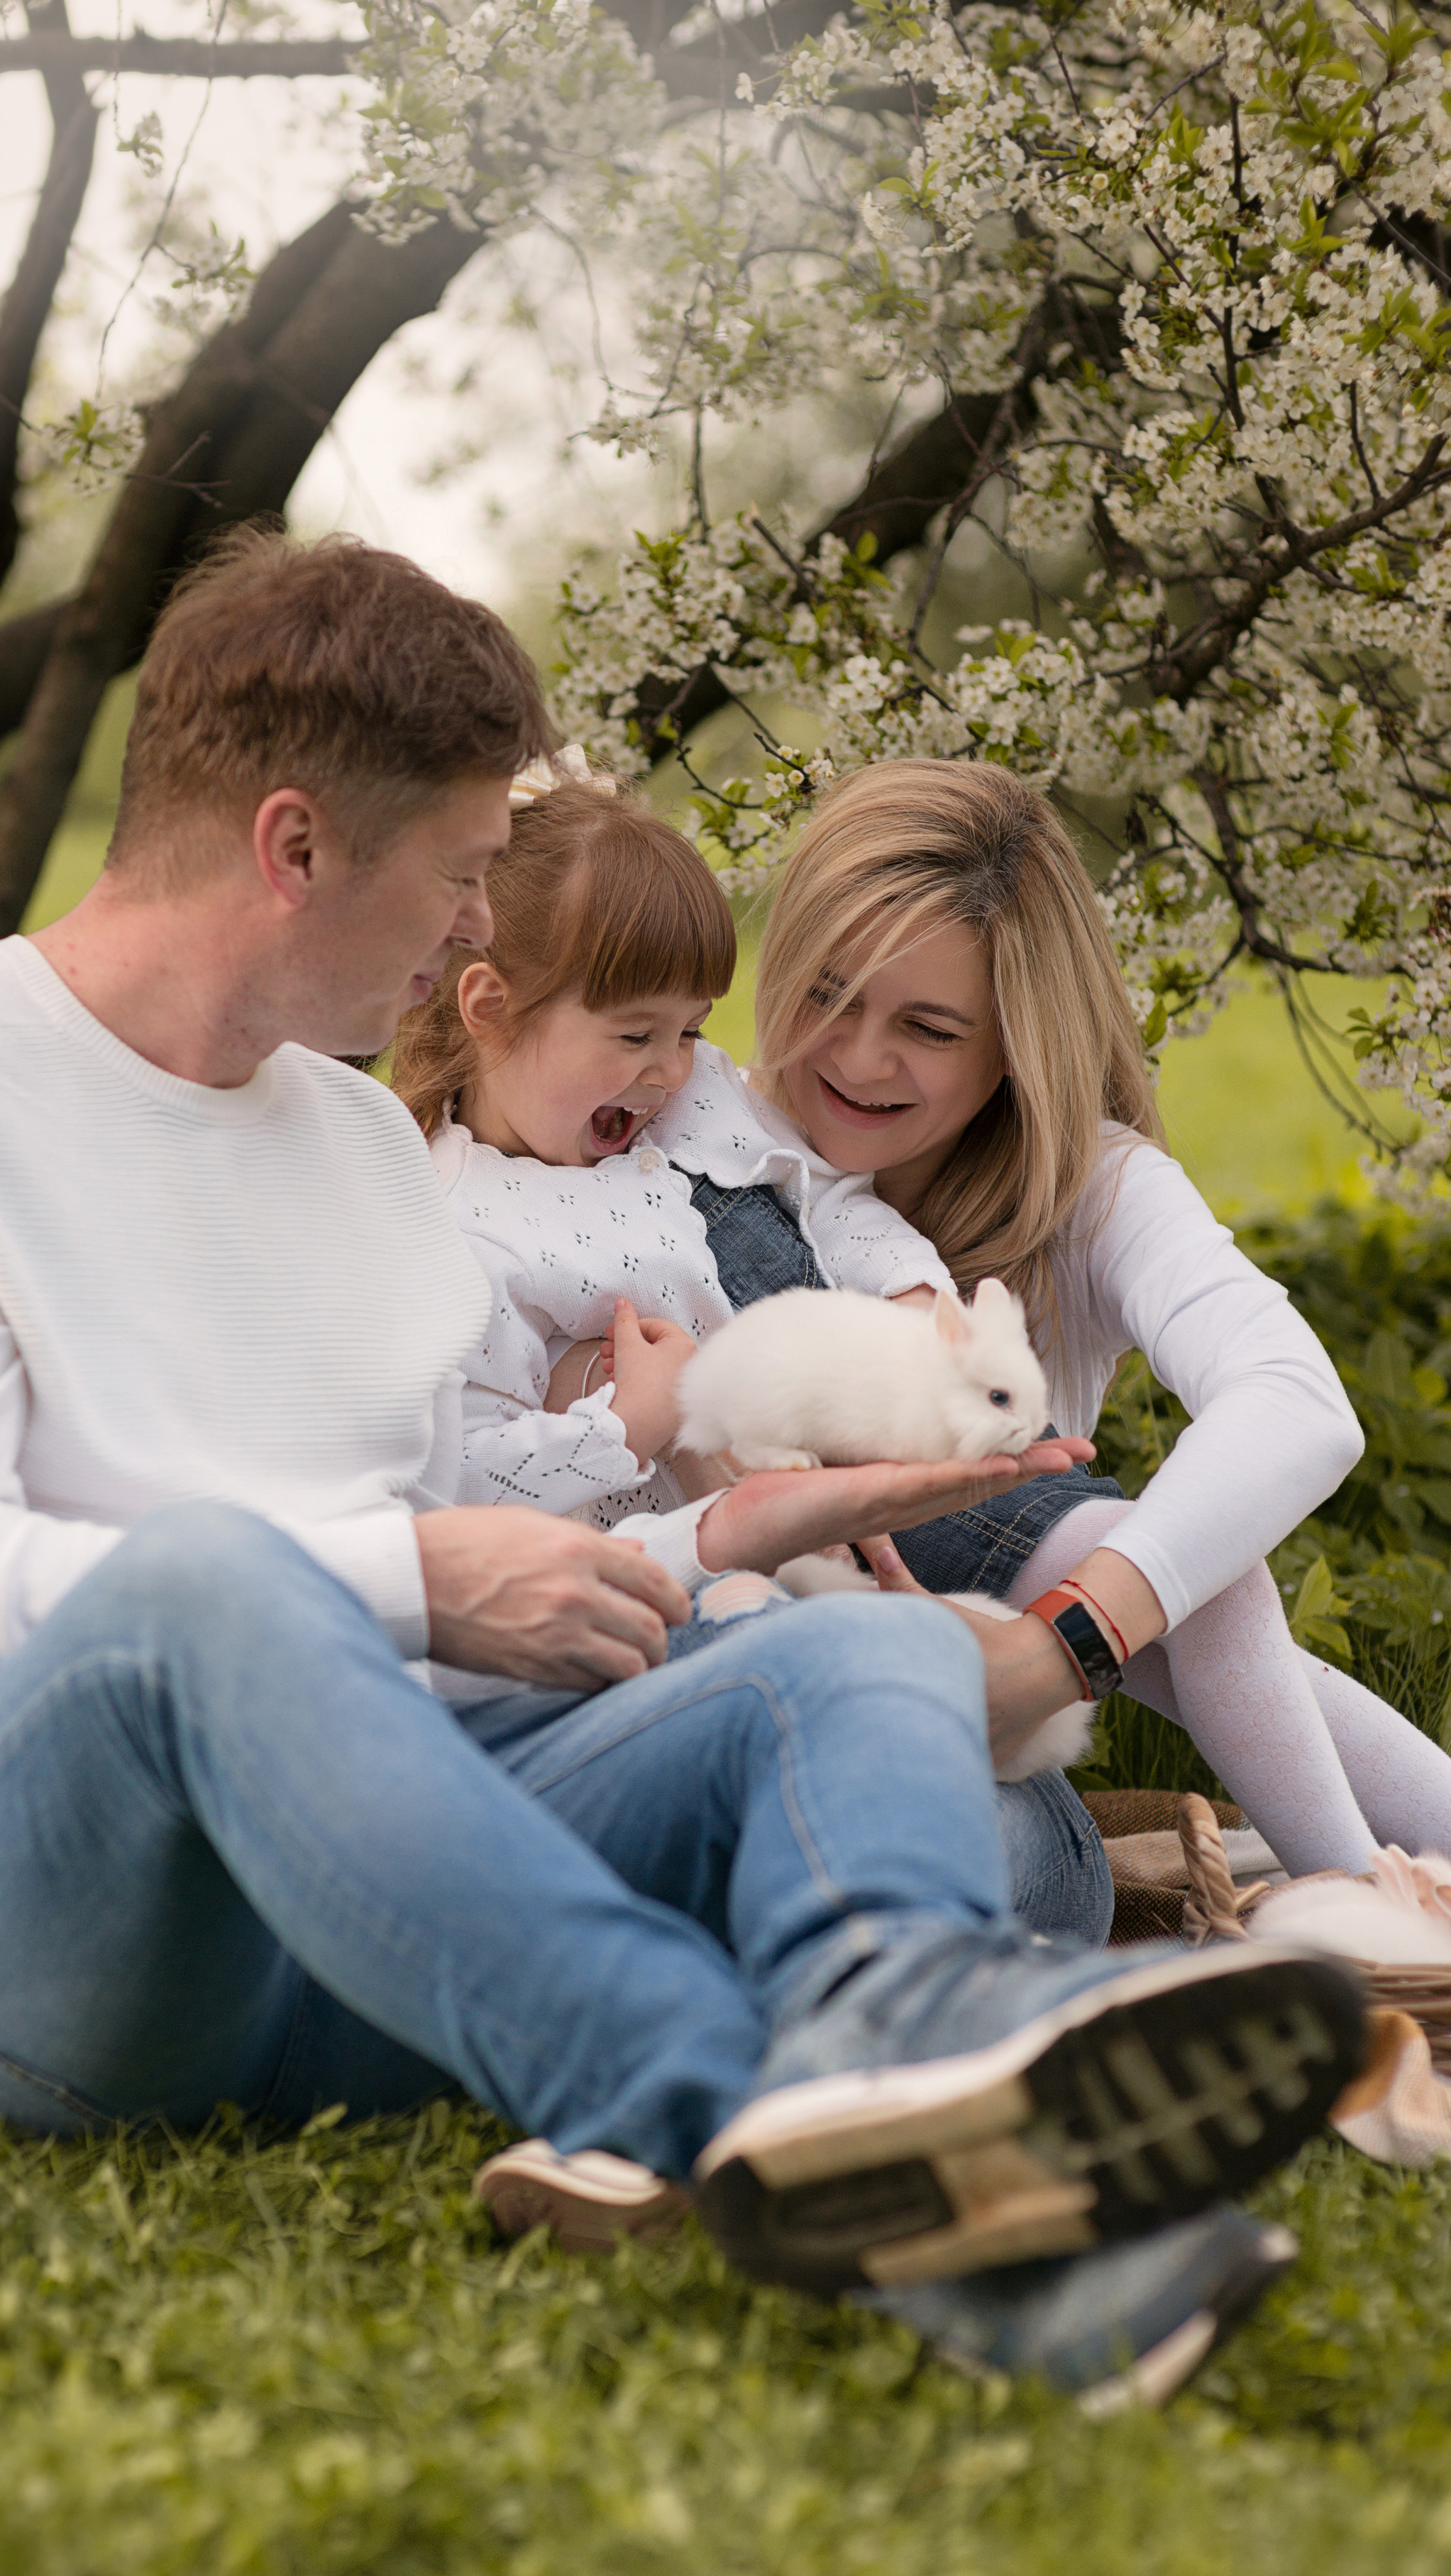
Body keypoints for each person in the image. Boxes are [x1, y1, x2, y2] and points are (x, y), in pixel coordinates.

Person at [0, 534, 1364, 2403]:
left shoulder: (355, 1145)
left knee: (867, 1657)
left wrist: (727, 1539)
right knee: (214, 1577)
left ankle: (919, 2061)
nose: (482, 930)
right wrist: (413, 1581)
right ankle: (745, 2092)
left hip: (374, 1907)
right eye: (467, 867)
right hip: (23, 1926)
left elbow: (465, 1558)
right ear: (295, 845)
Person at [390, 763, 1111, 1944]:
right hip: (634, 1614)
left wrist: (915, 1292)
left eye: (689, 1029)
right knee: (941, 1798)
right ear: (487, 1005)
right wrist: (623, 1427)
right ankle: (831, 1924)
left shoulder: (683, 1112)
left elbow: (830, 1201)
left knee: (1046, 1854)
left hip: (789, 1556)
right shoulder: (457, 1230)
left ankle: (882, 1906)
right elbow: (466, 1484)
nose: (672, 1067)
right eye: (635, 1034)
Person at [739, 756, 1450, 1879]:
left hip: (972, 1707)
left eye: (927, 1027)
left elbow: (1298, 1403)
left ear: (1017, 1042)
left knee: (1169, 1576)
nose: (856, 1057)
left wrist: (1056, 1648)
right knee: (1165, 1574)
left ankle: (1376, 1900)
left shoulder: (1086, 1191)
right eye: (826, 992)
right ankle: (1368, 1894)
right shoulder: (713, 1159)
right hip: (751, 1644)